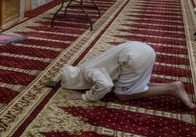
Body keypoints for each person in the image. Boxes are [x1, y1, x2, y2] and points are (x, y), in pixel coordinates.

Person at [59, 41, 195, 110]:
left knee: (122, 95)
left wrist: (86, 96)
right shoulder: (85, 67)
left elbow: (106, 85)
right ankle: (174, 86)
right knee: (134, 84)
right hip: (141, 49)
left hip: (133, 58)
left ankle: (170, 89)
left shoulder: (87, 72)